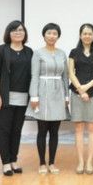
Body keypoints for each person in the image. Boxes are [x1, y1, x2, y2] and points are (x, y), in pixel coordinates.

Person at [0, 21, 34, 176]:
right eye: (14, 30)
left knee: (16, 131)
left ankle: (14, 160)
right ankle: (6, 163)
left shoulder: (29, 52)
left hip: (22, 99)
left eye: (21, 30)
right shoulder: (2, 50)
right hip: (4, 98)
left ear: (25, 33)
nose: (18, 32)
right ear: (8, 33)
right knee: (4, 131)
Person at [28, 23, 69, 174]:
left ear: (58, 36)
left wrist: (66, 96)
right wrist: (34, 96)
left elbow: (65, 77)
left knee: (54, 131)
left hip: (58, 93)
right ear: (44, 35)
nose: (52, 36)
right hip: (42, 93)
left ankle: (52, 162)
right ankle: (42, 163)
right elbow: (34, 76)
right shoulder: (38, 53)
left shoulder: (62, 53)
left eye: (55, 33)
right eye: (49, 33)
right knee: (42, 130)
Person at [68, 23, 93, 175]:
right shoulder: (74, 52)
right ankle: (80, 162)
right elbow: (71, 73)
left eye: (90, 33)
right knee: (78, 128)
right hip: (77, 93)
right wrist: (80, 89)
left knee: (92, 129)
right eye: (84, 33)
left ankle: (89, 161)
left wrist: (87, 87)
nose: (87, 36)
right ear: (80, 35)